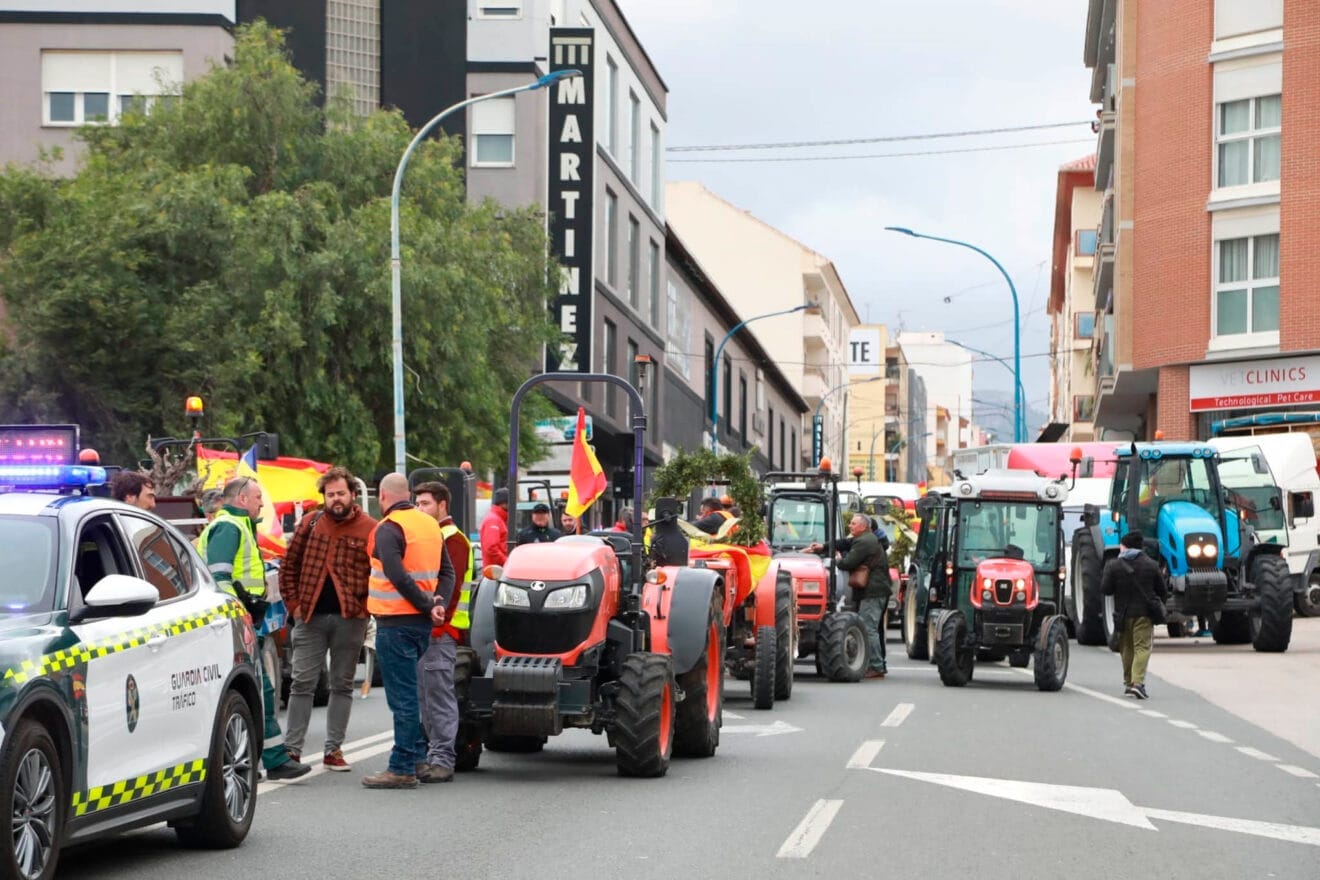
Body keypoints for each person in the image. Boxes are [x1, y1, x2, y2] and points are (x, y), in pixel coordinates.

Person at [198, 476, 311, 780]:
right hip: (236, 626)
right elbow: (220, 579)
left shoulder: (237, 526)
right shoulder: (228, 528)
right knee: (260, 691)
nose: (262, 503)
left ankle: (267, 759)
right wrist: (242, 614)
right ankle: (272, 761)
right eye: (258, 497)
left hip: (240, 624)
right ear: (242, 499)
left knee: (262, 691)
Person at [278, 466, 376, 772]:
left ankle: (333, 750)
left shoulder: (370, 528)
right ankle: (292, 751)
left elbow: (379, 572)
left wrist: (366, 607)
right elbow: (288, 567)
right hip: (310, 617)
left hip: (352, 618)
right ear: (323, 497)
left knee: (342, 684)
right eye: (330, 494)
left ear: (352, 495)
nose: (336, 499)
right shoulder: (310, 523)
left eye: (341, 494)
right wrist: (294, 605)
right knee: (301, 683)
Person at [363, 473, 455, 789]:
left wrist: (426, 604)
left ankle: (401, 767)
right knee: (410, 694)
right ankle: (417, 759)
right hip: (420, 626)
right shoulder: (430, 524)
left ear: (383, 497)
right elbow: (447, 571)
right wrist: (437, 601)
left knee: (402, 698)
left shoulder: (388, 528)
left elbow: (397, 575)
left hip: (396, 622)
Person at [413, 481, 472, 782]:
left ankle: (442, 759)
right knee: (425, 696)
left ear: (442, 505)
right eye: (417, 503)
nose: (419, 508)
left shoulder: (453, 539)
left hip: (441, 631)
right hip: (430, 629)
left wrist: (438, 626)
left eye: (425, 503)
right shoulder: (432, 536)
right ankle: (430, 756)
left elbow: (451, 587)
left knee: (437, 697)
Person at [1101, 530, 1168, 700]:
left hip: (1122, 614)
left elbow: (1105, 589)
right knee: (1142, 648)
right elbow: (1162, 591)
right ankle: (1138, 684)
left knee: (1126, 649)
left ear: (1124, 546)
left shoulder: (1113, 565)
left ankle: (1129, 683)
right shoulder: (1151, 565)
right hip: (1144, 614)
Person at [836, 513, 892, 679]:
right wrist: (824, 546)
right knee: (871, 627)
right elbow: (845, 543)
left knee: (868, 627)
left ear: (863, 526)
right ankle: (874, 664)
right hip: (875, 591)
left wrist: (839, 559)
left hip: (873, 592)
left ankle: (876, 665)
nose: (850, 526)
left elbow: (848, 563)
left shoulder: (865, 542)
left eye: (853, 524)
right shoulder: (866, 539)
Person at [480, 487, 510, 566]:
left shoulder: (497, 519)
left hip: (496, 571)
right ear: (504, 503)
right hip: (495, 573)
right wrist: (507, 563)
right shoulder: (494, 520)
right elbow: (491, 548)